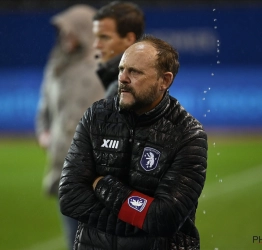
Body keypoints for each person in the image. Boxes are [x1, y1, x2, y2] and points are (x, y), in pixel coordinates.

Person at [59, 35, 208, 250]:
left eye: (134, 72)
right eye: (121, 69)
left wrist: (102, 184)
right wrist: (139, 222)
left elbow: (164, 218)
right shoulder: (96, 117)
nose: (123, 78)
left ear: (164, 81)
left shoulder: (187, 134)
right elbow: (70, 197)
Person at [35, 5, 105, 250]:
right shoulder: (56, 63)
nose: (65, 37)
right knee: (73, 241)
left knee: (96, 241)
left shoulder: (103, 65)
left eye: (71, 31)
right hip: (63, 166)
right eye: (63, 32)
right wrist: (44, 133)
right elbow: (44, 107)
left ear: (85, 31)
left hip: (95, 171)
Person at [92, 1, 145, 97]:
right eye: (96, 37)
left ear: (129, 39)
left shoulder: (124, 89)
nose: (96, 45)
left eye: (104, 37)